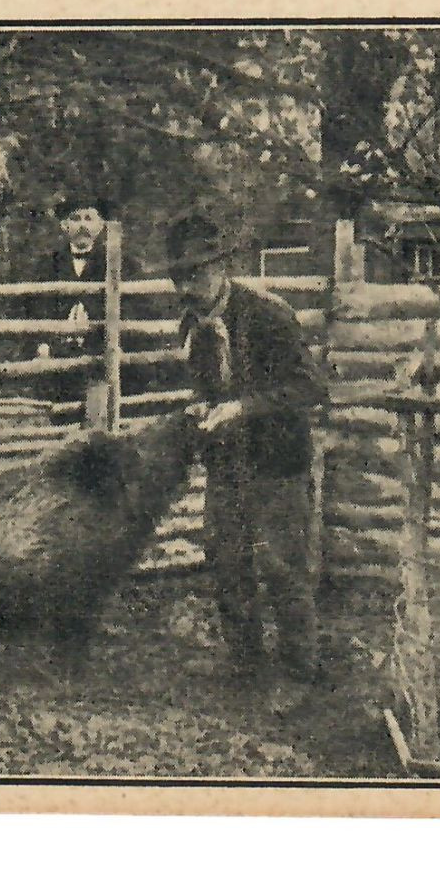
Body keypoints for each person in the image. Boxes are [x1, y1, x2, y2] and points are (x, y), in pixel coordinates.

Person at [163, 213, 328, 694]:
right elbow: (205, 385)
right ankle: (246, 666)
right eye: (179, 277)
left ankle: (299, 673)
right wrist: (202, 408)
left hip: (277, 465)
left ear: (221, 268)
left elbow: (309, 386)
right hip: (227, 467)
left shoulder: (269, 315)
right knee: (228, 564)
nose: (187, 287)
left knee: (282, 569)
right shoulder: (190, 326)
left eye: (195, 274)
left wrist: (244, 408)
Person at [22, 195, 116, 407]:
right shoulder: (47, 266)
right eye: (75, 218)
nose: (82, 225)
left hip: (99, 352)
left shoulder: (116, 265)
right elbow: (36, 309)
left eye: (88, 218)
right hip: (59, 353)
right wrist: (44, 344)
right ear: (64, 226)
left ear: (100, 226)